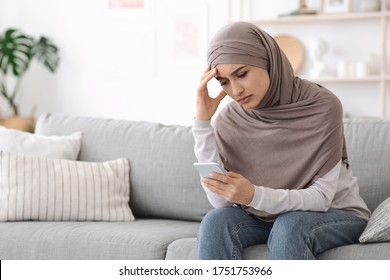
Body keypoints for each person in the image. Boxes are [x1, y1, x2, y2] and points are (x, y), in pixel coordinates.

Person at [192, 21, 370, 260]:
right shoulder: (229, 119)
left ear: (268, 61)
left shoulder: (321, 106)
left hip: (335, 212)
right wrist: (202, 122)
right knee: (216, 222)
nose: (235, 90)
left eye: (242, 74)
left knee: (290, 225)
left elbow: (321, 198)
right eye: (224, 82)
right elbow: (221, 203)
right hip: (266, 217)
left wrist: (253, 195)